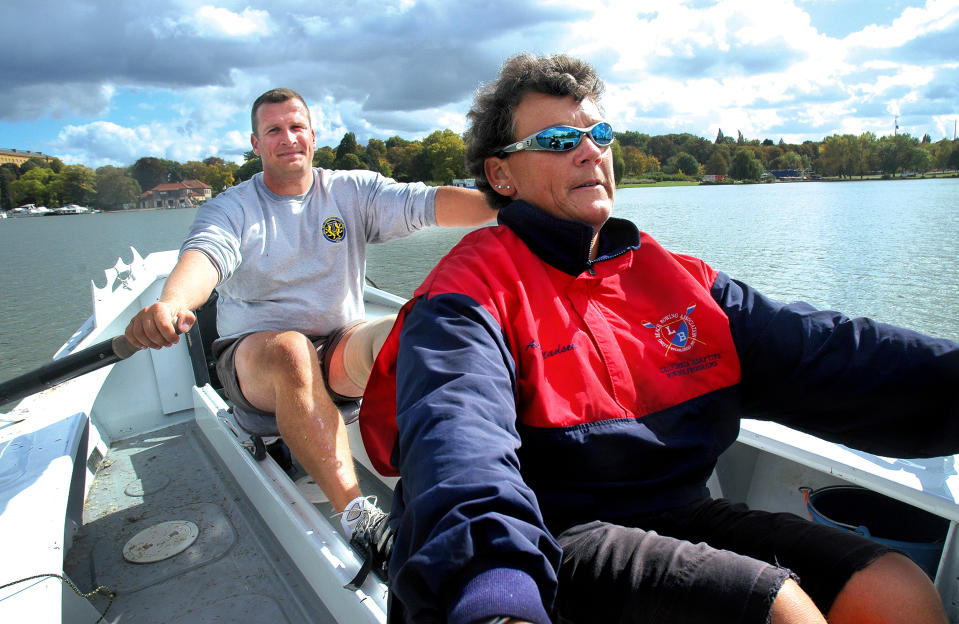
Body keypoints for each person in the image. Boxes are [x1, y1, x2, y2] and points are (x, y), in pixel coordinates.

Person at [357, 54, 958, 623]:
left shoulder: (675, 277)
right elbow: (457, 440)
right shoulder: (466, 292)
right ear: (500, 174)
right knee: (778, 609)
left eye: (601, 133)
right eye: (560, 141)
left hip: (677, 509)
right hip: (548, 531)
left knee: (893, 585)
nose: (590, 152)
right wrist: (494, 589)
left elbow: (830, 353)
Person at [123, 87, 496, 583]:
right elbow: (205, 256)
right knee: (292, 352)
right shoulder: (232, 208)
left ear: (312, 136)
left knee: (418, 331)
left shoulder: (350, 191)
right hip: (256, 358)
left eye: (296, 127)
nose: (287, 138)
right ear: (256, 144)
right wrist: (172, 303)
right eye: (274, 130)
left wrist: (513, 205)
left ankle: (459, 488)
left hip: (337, 343)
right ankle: (359, 518)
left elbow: (429, 203)